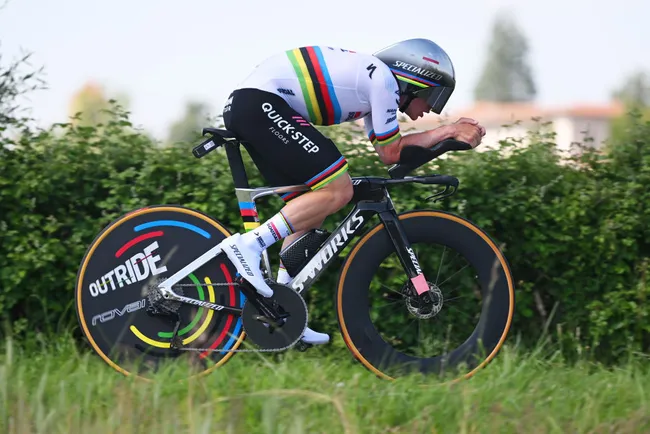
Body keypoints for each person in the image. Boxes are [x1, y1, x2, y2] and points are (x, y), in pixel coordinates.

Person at [218, 38, 485, 346]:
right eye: (432, 96)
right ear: (414, 80)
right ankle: (248, 246)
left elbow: (389, 154)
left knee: (309, 211)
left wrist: (445, 136)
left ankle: (281, 310)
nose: (431, 108)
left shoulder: (374, 84)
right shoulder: (383, 81)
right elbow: (394, 151)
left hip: (254, 105)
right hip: (260, 104)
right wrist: (448, 130)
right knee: (338, 189)